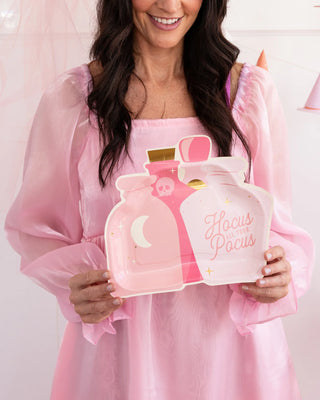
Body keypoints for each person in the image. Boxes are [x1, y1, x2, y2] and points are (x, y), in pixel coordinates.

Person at [5, 1, 314, 399]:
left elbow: (276, 225)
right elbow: (35, 228)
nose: (169, 5)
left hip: (231, 354)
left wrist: (279, 272)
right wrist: (76, 284)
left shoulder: (247, 93)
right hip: (125, 352)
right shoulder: (75, 101)